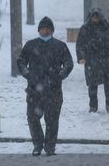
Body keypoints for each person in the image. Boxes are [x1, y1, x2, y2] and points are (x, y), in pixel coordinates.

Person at [17, 17, 74, 156]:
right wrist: (28, 74)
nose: (45, 30)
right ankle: (37, 144)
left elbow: (68, 63)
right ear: (39, 30)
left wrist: (60, 75)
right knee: (32, 118)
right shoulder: (31, 45)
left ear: (52, 30)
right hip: (34, 90)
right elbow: (21, 61)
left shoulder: (60, 46)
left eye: (48, 28)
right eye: (43, 28)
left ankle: (50, 147)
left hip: (53, 90)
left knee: (52, 120)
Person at [76, 8, 109, 115]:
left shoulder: (108, 27)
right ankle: (93, 106)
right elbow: (80, 44)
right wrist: (81, 56)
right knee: (92, 85)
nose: (95, 19)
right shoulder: (85, 29)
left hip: (107, 59)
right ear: (90, 17)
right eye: (93, 17)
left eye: (97, 17)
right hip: (92, 60)